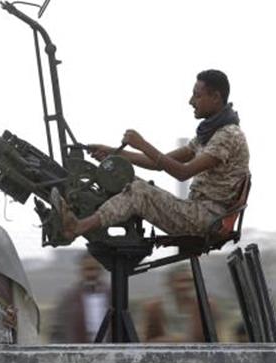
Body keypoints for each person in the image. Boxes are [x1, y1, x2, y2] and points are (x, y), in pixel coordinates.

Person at [52, 69, 249, 241]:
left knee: (139, 192)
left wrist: (143, 144)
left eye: (197, 96)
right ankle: (73, 213)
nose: (191, 101)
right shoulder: (209, 134)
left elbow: (183, 172)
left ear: (215, 97)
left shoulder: (227, 136)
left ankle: (77, 227)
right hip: (196, 211)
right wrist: (112, 153)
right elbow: (158, 163)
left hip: (207, 219)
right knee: (124, 178)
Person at [142, 267, 217, 342]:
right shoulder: (154, 308)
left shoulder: (206, 306)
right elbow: (148, 342)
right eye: (180, 281)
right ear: (170, 283)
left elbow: (214, 338)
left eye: (188, 281)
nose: (185, 285)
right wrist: (171, 341)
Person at [51, 253, 110, 343]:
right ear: (81, 270)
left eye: (95, 269)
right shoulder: (69, 298)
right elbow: (57, 331)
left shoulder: (112, 296)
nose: (92, 274)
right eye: (88, 269)